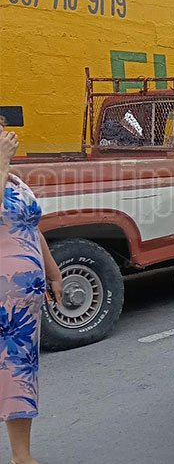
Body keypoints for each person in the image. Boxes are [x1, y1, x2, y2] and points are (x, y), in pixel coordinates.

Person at [0, 119, 63, 464]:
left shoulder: (13, 180)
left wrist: (53, 271)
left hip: (24, 304)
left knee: (20, 373)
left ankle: (21, 456)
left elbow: (31, 227)